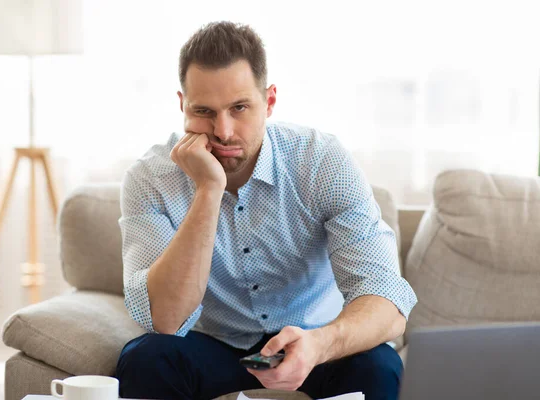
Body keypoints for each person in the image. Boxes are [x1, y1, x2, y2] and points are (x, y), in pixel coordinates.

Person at [115, 21, 417, 400]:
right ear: (182, 105)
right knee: (145, 359)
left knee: (379, 366)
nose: (223, 131)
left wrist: (320, 345)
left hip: (313, 343)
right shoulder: (150, 178)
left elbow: (386, 299)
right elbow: (166, 319)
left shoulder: (321, 161)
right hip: (215, 345)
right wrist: (209, 190)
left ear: (269, 101)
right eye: (204, 111)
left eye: (239, 108)